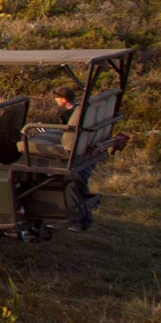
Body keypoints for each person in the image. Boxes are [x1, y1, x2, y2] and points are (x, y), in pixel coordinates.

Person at [49, 86, 98, 229]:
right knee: (81, 187)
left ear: (63, 100)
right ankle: (84, 220)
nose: (56, 101)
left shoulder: (68, 114)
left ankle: (80, 221)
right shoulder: (83, 110)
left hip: (75, 152)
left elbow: (67, 135)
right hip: (85, 150)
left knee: (75, 187)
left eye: (57, 99)